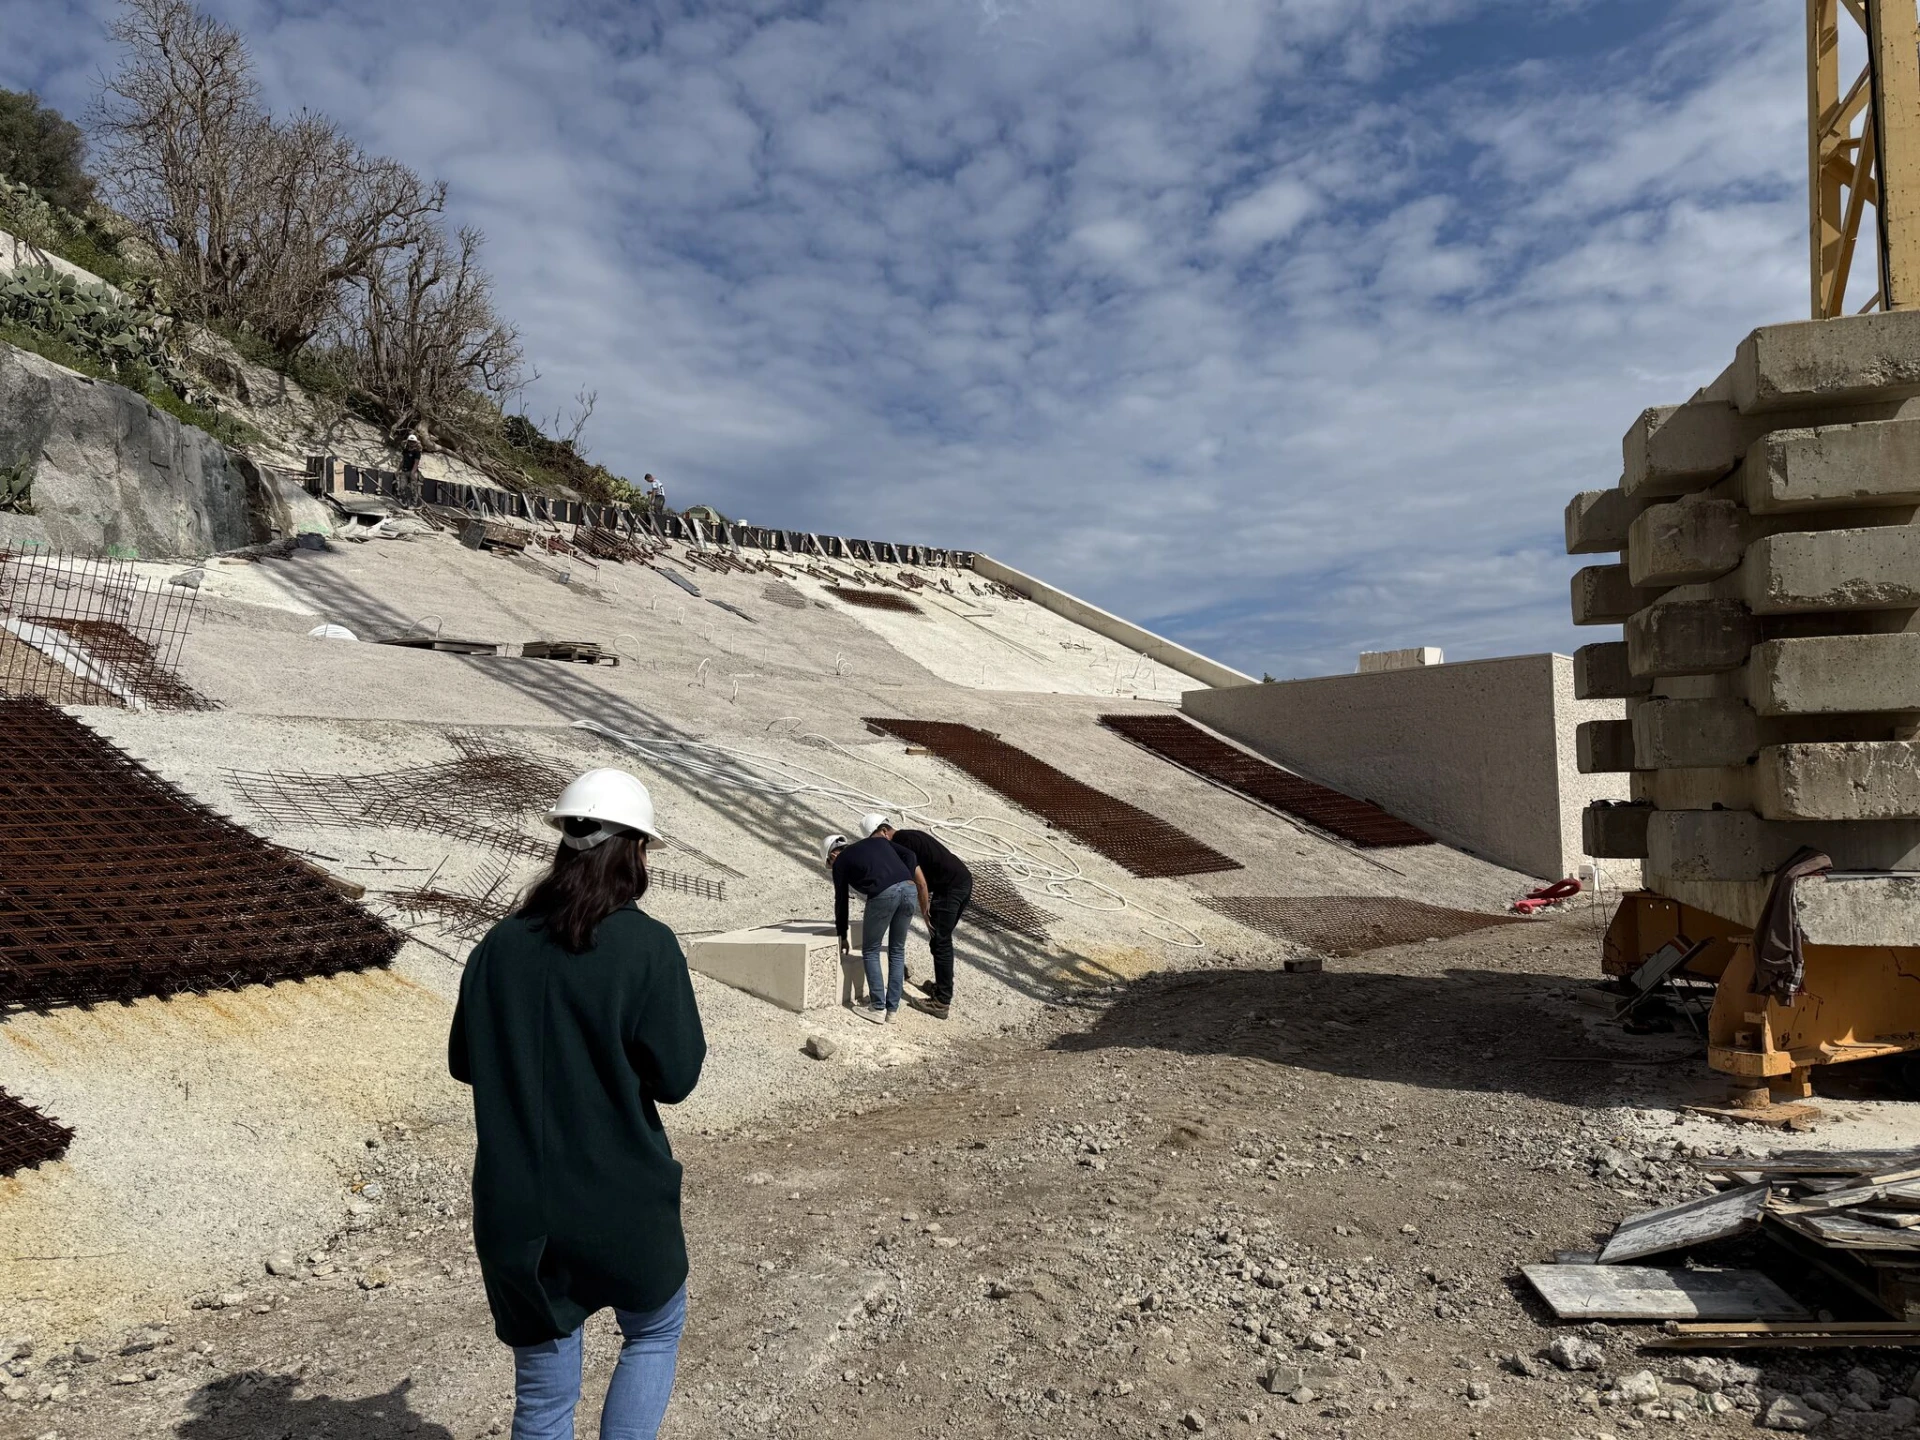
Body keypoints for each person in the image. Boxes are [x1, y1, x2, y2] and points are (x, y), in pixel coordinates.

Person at [449, 768, 705, 1440]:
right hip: (621, 1199)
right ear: (635, 852)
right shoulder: (648, 946)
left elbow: (465, 1062)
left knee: (543, 1404)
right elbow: (676, 1077)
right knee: (653, 1331)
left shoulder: (497, 946)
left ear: (563, 845)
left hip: (517, 1212)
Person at [860, 813, 971, 1020]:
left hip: (950, 888)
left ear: (884, 832)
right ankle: (942, 988)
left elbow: (920, 883)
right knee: (940, 941)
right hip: (960, 881)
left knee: (940, 941)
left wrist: (925, 911)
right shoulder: (908, 837)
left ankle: (941, 1002)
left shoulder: (902, 844)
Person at [822, 828, 927, 1023]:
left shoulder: (840, 862)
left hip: (884, 894)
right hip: (910, 889)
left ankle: (878, 1006)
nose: (832, 867)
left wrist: (842, 934)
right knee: (897, 950)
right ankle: (892, 1010)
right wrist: (903, 877)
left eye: (829, 863)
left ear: (833, 855)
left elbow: (841, 901)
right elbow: (910, 855)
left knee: (870, 950)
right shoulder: (879, 841)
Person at [398, 431, 424, 504]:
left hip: (413, 471)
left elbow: (416, 463)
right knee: (402, 487)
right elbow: (403, 460)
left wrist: (413, 472)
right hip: (404, 470)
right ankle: (404, 501)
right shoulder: (405, 450)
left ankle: (414, 502)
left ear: (415, 443)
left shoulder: (417, 452)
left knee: (413, 488)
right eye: (410, 441)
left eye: (413, 442)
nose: (411, 443)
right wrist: (398, 470)